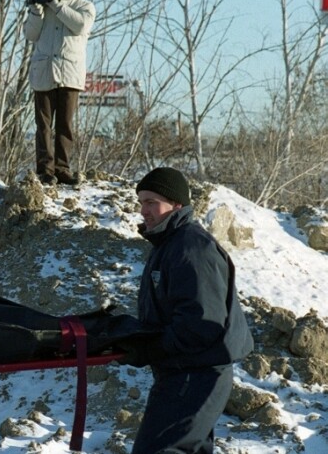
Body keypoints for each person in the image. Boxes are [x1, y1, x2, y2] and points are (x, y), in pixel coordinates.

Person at [118, 167, 253, 453]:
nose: (144, 210)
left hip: (196, 375)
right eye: (141, 202)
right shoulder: (169, 244)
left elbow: (201, 324)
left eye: (151, 202)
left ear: (176, 204)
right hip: (183, 372)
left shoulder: (191, 248)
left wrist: (150, 348)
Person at [23, 0, 95, 186]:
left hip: (69, 73)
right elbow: (30, 34)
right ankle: (45, 169)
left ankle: (62, 168)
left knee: (65, 124)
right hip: (44, 72)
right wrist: (36, 6)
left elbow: (80, 26)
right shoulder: (44, 6)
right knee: (43, 125)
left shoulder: (84, 6)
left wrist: (55, 5)